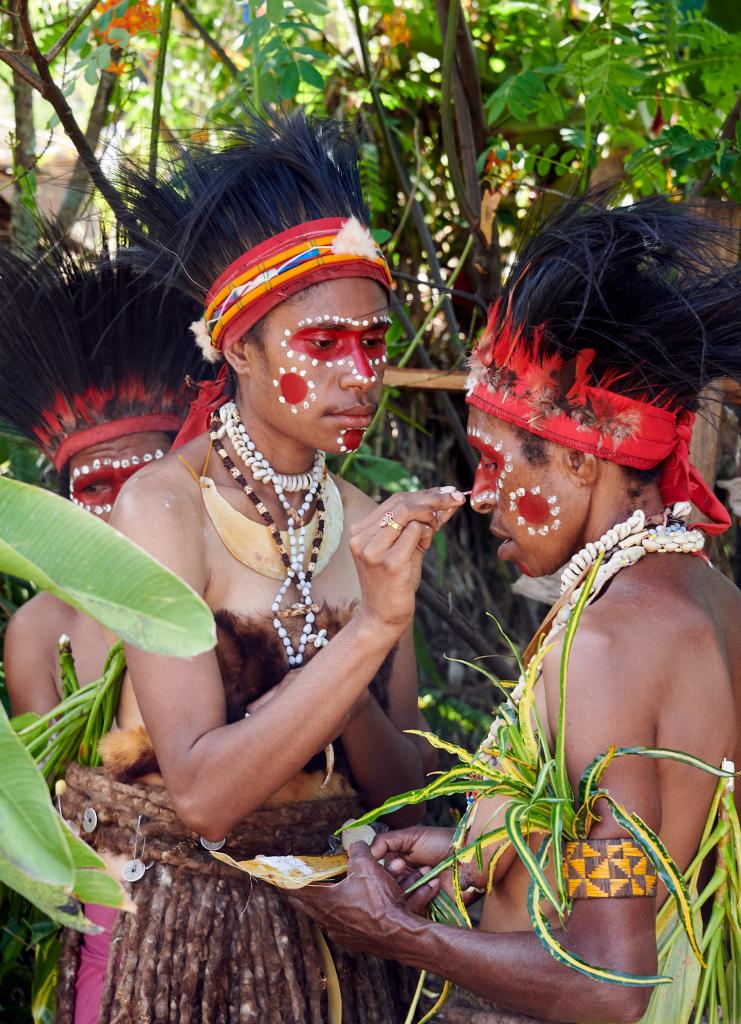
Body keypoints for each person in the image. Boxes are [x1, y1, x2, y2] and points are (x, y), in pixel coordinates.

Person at [52, 110, 465, 1024]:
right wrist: (365, 633)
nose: (361, 373)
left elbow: (401, 795)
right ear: (238, 347)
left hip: (330, 946)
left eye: (373, 342)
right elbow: (200, 795)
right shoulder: (164, 509)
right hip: (171, 941)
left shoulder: (360, 524)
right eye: (323, 344)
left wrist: (351, 668)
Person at [289, 195, 741, 1024]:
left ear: (578, 461)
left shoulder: (606, 642)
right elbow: (641, 856)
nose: (482, 495)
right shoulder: (708, 599)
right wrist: (476, 850)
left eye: (496, 461)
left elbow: (611, 981)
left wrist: (398, 934)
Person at [0, 243, 208, 716]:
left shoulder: (250, 591)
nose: (124, 508)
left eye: (142, 477)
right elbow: (52, 788)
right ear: (65, 504)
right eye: (96, 487)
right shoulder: (39, 634)